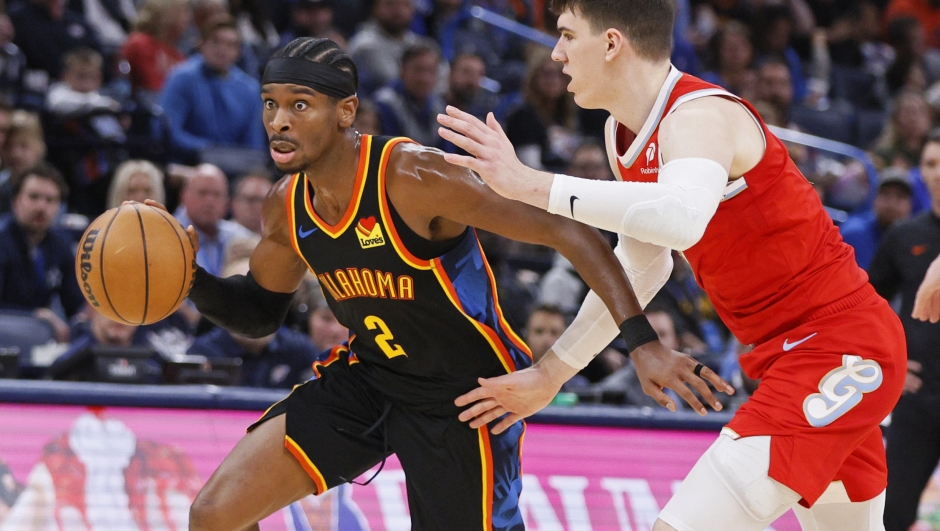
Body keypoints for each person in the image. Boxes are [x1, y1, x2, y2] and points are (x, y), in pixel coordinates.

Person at [172, 37, 726, 531]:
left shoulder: (417, 179)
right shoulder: (285, 207)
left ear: (346, 112)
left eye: (299, 105)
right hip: (370, 378)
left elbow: (572, 233)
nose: (279, 122)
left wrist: (643, 345)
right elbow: (260, 313)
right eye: (270, 103)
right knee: (215, 515)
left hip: (467, 396)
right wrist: (188, 279)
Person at [437, 0, 906, 528]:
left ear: (612, 43)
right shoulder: (623, 137)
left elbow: (681, 219)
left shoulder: (702, 116)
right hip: (783, 357)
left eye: (568, 35)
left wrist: (531, 184)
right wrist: (551, 374)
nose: (556, 53)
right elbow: (642, 264)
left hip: (839, 344)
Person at [869, 129, 940, 531]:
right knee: (891, 512)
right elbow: (864, 305)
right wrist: (886, 364)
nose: (938, 173)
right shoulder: (905, 236)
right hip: (918, 396)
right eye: (930, 164)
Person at [188, 259, 319, 389]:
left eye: (262, 295)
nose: (252, 306)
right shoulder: (201, 354)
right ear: (222, 304)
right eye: (240, 297)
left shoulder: (302, 351)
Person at [160, 16, 266, 163]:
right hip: (189, 162)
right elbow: (170, 133)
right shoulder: (181, 77)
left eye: (230, 45)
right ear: (201, 44)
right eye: (216, 42)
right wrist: (210, 150)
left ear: (238, 52)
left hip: (236, 165)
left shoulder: (250, 89)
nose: (222, 49)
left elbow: (254, 144)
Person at [0, 163, 83, 342]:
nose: (41, 207)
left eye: (50, 200)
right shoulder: (2, 240)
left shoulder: (60, 245)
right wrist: (35, 315)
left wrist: (84, 317)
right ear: (15, 201)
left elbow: (75, 304)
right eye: (34, 197)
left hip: (39, 337)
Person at [174, 163, 253, 276]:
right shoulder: (169, 235)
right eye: (202, 193)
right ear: (184, 196)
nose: (209, 201)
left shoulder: (237, 236)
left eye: (217, 194)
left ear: (227, 202)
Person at [374, 40, 447, 149]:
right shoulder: (384, 104)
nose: (424, 78)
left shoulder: (439, 106)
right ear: (403, 71)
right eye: (418, 70)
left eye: (431, 71)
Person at [840, 167, 914, 270]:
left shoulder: (913, 237)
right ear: (874, 199)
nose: (892, 204)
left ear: (910, 205)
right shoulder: (856, 233)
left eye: (900, 197)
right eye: (886, 194)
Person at [347, 0, 420, 95]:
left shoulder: (417, 42)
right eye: (390, 4)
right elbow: (392, 80)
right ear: (375, 8)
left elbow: (439, 83)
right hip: (372, 105)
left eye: (405, 4)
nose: (398, 11)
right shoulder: (365, 45)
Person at [119, 0, 189, 96]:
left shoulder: (176, 52)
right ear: (167, 14)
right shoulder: (140, 43)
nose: (188, 17)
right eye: (183, 11)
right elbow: (153, 87)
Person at [231, 170, 273, 235]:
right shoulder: (218, 238)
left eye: (264, 201)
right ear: (234, 203)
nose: (257, 207)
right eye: (251, 200)